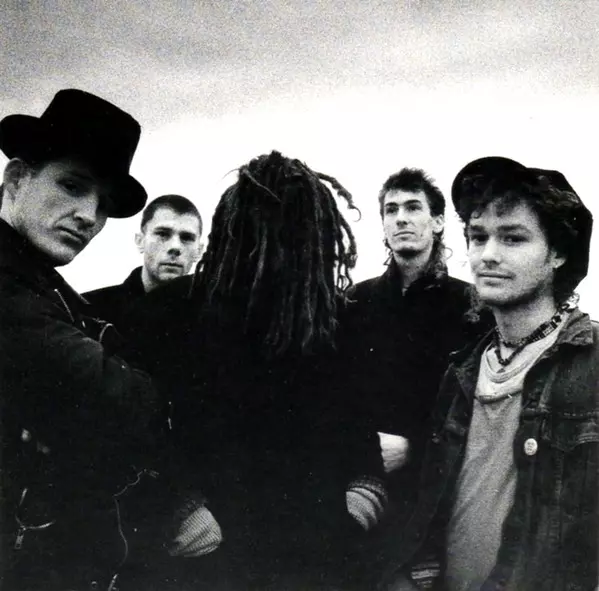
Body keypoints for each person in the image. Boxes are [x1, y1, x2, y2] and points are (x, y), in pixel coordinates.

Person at [131, 150, 386, 590]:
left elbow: (359, 425)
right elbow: (133, 428)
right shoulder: (174, 311)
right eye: (265, 229)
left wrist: (363, 498)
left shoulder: (335, 318)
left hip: (319, 554)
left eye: (296, 231)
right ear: (237, 229)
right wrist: (176, 507)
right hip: (211, 560)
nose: (281, 245)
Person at [378, 156, 597, 591]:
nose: (488, 255)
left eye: (513, 238)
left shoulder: (591, 363)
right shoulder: (462, 369)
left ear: (558, 253)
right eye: (478, 237)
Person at [0, 89, 161, 591]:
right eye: (72, 186)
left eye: (103, 205)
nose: (89, 216)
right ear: (17, 179)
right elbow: (121, 399)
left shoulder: (48, 285)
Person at [339, 168, 486, 514]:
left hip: (437, 486)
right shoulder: (353, 302)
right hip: (356, 481)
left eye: (413, 207)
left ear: (437, 222)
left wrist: (415, 448)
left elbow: (479, 408)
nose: (401, 218)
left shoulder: (472, 306)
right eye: (391, 210)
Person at [84, 194, 203, 332]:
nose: (175, 247)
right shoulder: (88, 310)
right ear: (140, 241)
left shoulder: (213, 317)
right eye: (162, 234)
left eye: (187, 238)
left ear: (199, 251)